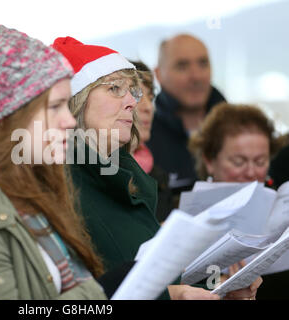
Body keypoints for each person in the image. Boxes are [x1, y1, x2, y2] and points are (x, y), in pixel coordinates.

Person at [53, 36, 261, 300]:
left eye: (133, 91)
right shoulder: (66, 187)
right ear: (76, 100)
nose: (132, 102)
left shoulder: (123, 178)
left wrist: (219, 288)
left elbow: (162, 280)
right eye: (115, 88)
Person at [0, 18, 106, 300]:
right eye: (55, 107)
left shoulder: (32, 189)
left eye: (66, 106)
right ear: (13, 116)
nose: (68, 121)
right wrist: (98, 293)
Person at [188, 102, 285, 299]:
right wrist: (222, 283)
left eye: (260, 162)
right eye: (238, 162)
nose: (251, 173)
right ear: (209, 161)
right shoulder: (184, 216)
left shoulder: (281, 208)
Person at [147, 33, 227, 203]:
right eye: (182, 66)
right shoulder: (142, 138)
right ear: (159, 74)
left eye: (203, 63)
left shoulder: (240, 130)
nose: (196, 76)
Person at [129, 60, 174, 223]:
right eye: (138, 96)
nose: (148, 107)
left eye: (150, 97)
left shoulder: (157, 173)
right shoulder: (104, 171)